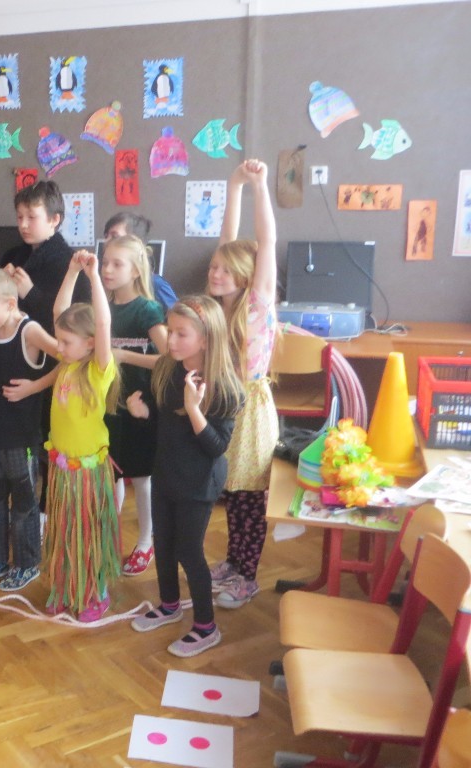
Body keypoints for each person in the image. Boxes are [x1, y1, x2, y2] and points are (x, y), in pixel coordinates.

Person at [128, 296, 244, 657]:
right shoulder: (168, 368)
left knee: (188, 551)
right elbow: (162, 418)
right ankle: (169, 605)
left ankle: (206, 626)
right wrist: (142, 411)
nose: (171, 339)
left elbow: (216, 447)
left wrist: (194, 408)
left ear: (205, 339)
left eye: (182, 333)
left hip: (198, 482)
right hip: (167, 472)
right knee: (163, 544)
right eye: (170, 330)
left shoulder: (225, 386)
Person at [206, 159, 279, 609]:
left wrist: (259, 186)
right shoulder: (221, 307)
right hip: (225, 404)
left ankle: (247, 576)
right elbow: (226, 241)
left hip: (250, 413)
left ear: (247, 277)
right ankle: (234, 561)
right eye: (214, 268)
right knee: (232, 492)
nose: (216, 274)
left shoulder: (257, 303)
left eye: (225, 270)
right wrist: (233, 186)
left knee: (250, 498)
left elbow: (266, 241)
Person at [1, 179, 87, 521]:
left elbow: (73, 323)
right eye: (19, 216)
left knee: (51, 437)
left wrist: (30, 293)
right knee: (21, 437)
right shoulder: (14, 256)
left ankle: (49, 507)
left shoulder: (69, 261)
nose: (23, 224)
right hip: (17, 357)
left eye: (31, 217)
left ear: (54, 219)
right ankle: (22, 502)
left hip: (54, 363)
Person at [0, 269, 58, 592]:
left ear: (10, 303)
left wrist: (34, 387)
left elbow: (69, 358)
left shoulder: (29, 330)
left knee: (23, 505)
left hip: (21, 437)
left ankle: (26, 564)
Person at [44, 251, 120, 621]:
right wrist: (72, 270)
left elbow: (103, 322)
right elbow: (60, 311)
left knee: (88, 533)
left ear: (90, 342)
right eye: (59, 341)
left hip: (88, 474)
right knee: (63, 532)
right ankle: (66, 587)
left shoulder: (97, 371)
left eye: (66, 342)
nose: (58, 347)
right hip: (62, 470)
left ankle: (95, 594)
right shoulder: (68, 364)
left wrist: (94, 277)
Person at [100, 235, 168, 576]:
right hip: (109, 403)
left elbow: (170, 358)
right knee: (111, 471)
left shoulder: (147, 310)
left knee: (141, 476)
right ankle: (109, 537)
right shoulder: (103, 306)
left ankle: (145, 541)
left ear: (136, 270)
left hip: (140, 403)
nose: (108, 269)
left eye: (117, 264)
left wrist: (125, 356)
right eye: (105, 262)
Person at [102, 212, 177, 311]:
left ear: (136, 242)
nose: (106, 241)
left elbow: (179, 316)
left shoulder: (156, 285)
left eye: (115, 236)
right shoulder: (111, 283)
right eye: (106, 236)